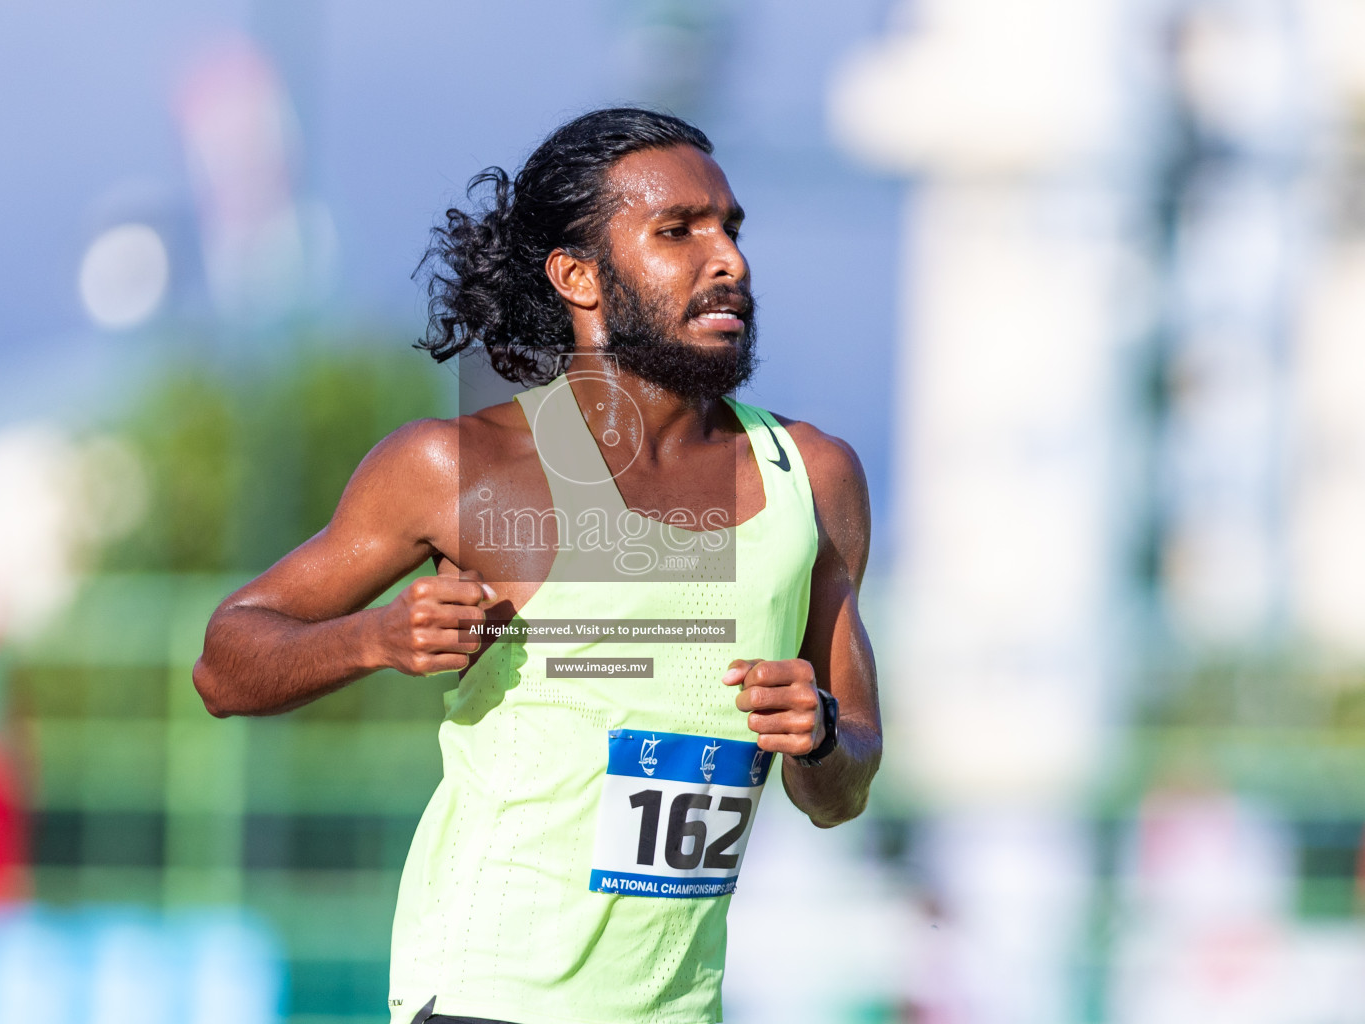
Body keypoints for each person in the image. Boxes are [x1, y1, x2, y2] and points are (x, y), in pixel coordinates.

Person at [193, 107, 881, 1024]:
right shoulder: (459, 468)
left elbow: (842, 789)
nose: (729, 261)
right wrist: (375, 638)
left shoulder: (813, 480)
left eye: (730, 227)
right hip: (488, 994)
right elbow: (225, 662)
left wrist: (825, 732)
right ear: (578, 276)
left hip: (683, 1009)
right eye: (678, 231)